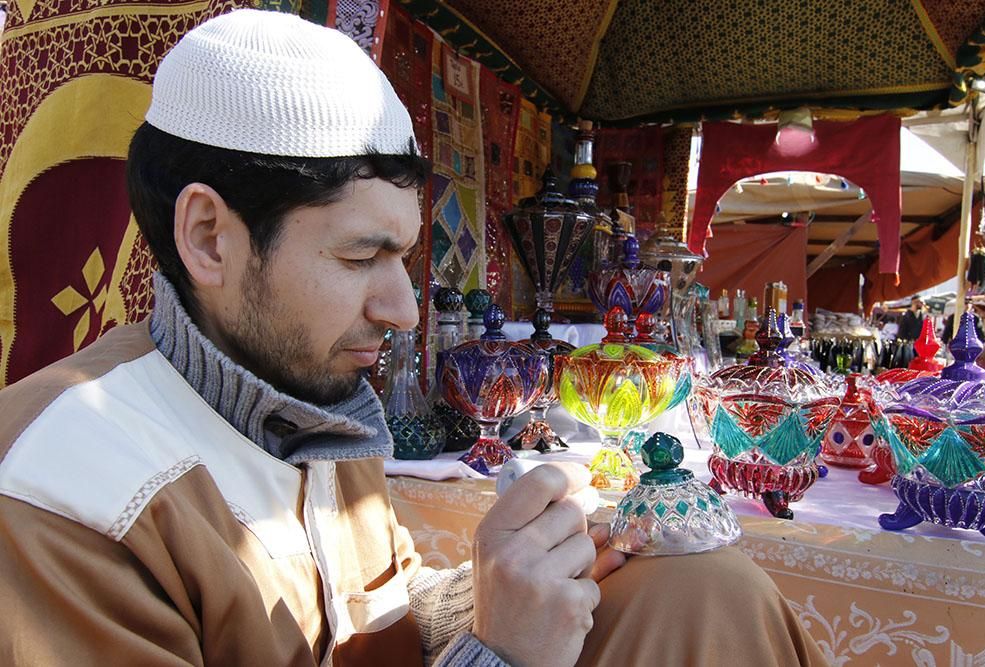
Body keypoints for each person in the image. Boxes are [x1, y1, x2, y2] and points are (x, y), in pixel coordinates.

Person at [0, 10, 825, 666]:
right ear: (211, 236)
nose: (402, 307)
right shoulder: (61, 492)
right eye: (362, 255)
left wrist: (513, 580)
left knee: (699, 591)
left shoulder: (309, 396)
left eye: (403, 254)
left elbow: (373, 628)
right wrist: (496, 653)